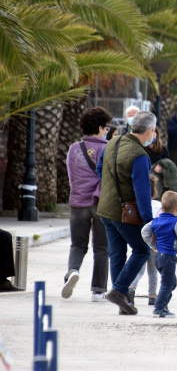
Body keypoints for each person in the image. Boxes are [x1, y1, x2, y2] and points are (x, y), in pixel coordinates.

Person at [96, 111, 156, 315]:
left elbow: (99, 169)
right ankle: (119, 291)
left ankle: (122, 300)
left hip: (106, 209)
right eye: (153, 131)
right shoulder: (139, 155)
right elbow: (142, 193)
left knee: (117, 254)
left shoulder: (112, 142)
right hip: (125, 212)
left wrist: (111, 190)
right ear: (149, 131)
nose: (153, 135)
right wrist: (150, 223)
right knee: (142, 250)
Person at [62, 107, 112, 301]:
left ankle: (72, 271)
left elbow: (71, 176)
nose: (106, 131)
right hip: (101, 203)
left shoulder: (74, 148)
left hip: (78, 202)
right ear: (100, 128)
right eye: (106, 128)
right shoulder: (108, 148)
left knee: (77, 245)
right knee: (102, 247)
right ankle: (98, 290)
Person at [141, 191, 177, 318]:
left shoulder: (155, 221)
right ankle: (159, 308)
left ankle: (163, 304)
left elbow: (144, 231)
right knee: (167, 284)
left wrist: (153, 245)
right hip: (169, 257)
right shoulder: (175, 222)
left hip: (158, 257)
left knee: (171, 282)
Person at [128, 175, 162, 306]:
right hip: (154, 241)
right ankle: (152, 296)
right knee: (152, 269)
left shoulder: (137, 205)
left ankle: (132, 287)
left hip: (141, 239)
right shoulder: (158, 205)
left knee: (140, 268)